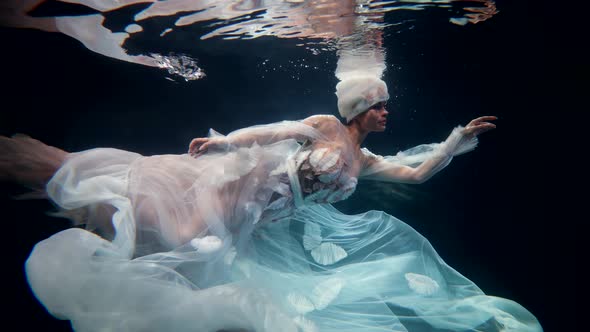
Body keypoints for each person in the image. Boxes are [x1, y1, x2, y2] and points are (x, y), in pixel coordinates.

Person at [0, 75, 541, 332]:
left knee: (196, 260)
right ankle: (97, 210)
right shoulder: (328, 128)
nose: (385, 113)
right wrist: (227, 143)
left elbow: (417, 174)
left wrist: (456, 141)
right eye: (379, 106)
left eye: (385, 107)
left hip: (258, 218)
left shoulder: (365, 160)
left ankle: (107, 229)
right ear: (360, 106)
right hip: (242, 184)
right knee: (184, 233)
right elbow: (278, 129)